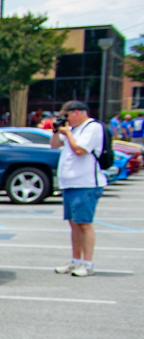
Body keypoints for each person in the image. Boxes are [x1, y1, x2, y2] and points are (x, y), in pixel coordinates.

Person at [50, 100, 105, 277]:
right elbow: (55, 145)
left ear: (77, 112)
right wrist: (57, 131)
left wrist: (68, 133)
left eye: (66, 116)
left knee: (84, 224)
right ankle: (76, 261)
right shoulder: (72, 129)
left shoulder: (92, 127)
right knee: (74, 224)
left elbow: (80, 150)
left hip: (85, 184)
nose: (66, 120)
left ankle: (88, 264)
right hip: (69, 184)